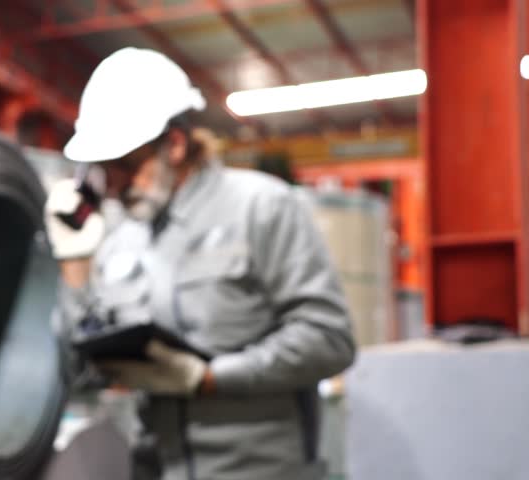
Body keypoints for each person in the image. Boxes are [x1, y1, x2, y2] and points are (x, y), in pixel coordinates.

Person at [44, 47, 355, 480]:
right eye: (102, 169)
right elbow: (78, 377)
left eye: (124, 165)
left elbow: (330, 339)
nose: (112, 185)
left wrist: (210, 378)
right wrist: (74, 266)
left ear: (173, 144)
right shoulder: (118, 240)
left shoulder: (261, 208)